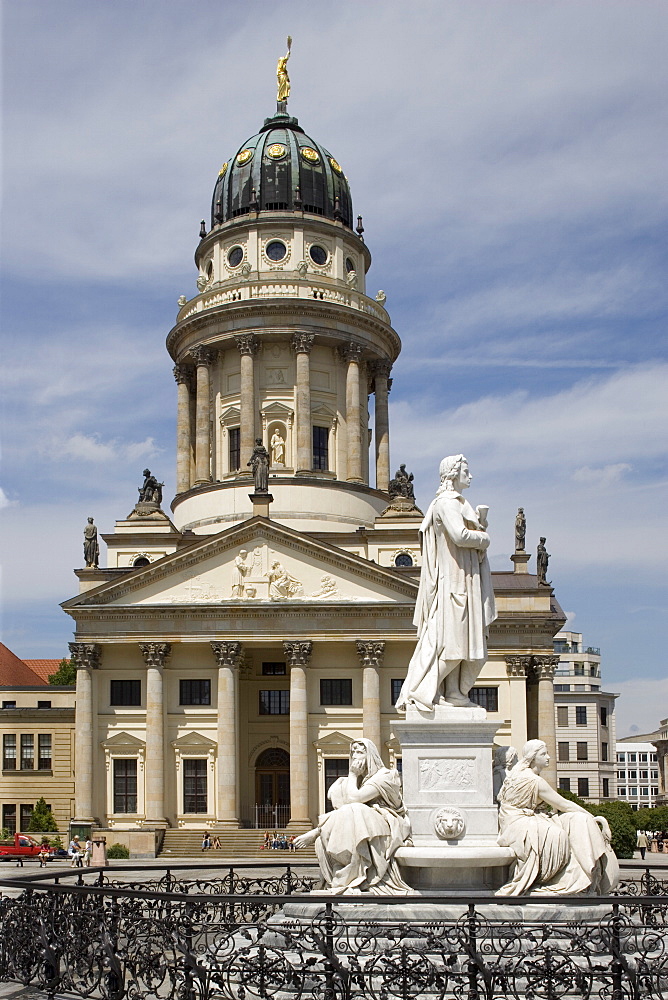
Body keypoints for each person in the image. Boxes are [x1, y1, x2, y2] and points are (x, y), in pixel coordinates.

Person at [396, 455, 496, 711]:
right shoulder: (446, 504)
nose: (470, 476)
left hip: (463, 579)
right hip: (454, 583)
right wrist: (484, 538)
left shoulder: (456, 503)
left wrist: (479, 525)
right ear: (453, 474)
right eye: (466, 471)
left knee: (460, 643)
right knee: (452, 642)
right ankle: (422, 691)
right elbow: (459, 536)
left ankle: (453, 692)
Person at [496, 740, 619, 896]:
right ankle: (567, 881)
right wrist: (593, 817)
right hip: (518, 822)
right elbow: (564, 804)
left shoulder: (519, 773)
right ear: (533, 757)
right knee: (559, 833)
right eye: (543, 754)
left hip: (527, 818)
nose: (548, 757)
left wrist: (590, 818)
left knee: (579, 820)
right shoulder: (534, 781)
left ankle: (582, 879)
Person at [294, 738, 412, 895]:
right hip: (366, 819)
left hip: (389, 821)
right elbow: (337, 799)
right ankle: (344, 872)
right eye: (353, 752)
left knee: (356, 809)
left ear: (370, 755)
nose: (355, 756)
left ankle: (319, 832)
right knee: (353, 814)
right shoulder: (362, 781)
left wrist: (352, 774)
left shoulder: (385, 776)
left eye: (360, 752)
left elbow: (354, 798)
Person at [276, 36, 292, 103]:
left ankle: (283, 96)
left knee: (286, 86)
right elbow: (285, 60)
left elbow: (286, 59)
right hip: (282, 77)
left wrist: (288, 53)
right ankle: (281, 96)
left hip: (284, 77)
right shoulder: (281, 67)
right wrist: (287, 54)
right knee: (282, 87)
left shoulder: (282, 69)